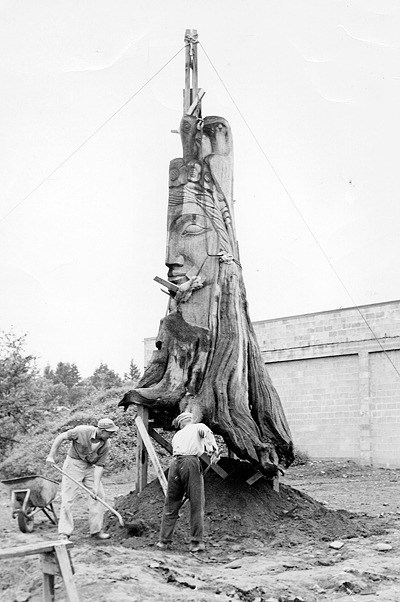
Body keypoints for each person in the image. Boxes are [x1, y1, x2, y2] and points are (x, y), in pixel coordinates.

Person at [46, 417, 119, 540]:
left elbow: (99, 466)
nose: (112, 435)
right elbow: (61, 437)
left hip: (90, 467)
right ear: (101, 430)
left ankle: (96, 531)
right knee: (68, 497)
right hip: (73, 464)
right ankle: (64, 532)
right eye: (110, 432)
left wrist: (95, 487)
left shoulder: (106, 444)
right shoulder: (81, 431)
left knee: (99, 495)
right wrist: (51, 456)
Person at [157, 411, 219, 552]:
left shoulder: (177, 435)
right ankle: (196, 543)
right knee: (197, 503)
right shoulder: (198, 427)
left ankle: (164, 541)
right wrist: (213, 451)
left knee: (171, 503)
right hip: (190, 463)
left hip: (174, 465)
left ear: (180, 424)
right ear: (190, 420)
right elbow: (207, 433)